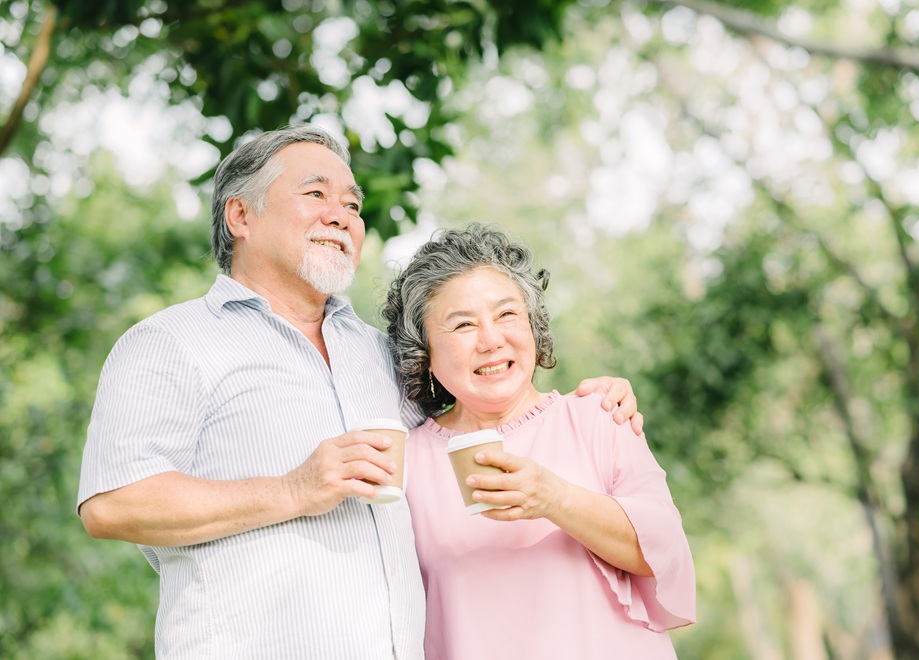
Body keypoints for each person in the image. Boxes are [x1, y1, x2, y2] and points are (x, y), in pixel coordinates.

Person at [76, 125, 643, 659]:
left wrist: (593, 400)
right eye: (315, 193)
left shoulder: (383, 355)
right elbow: (112, 504)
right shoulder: (169, 341)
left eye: (352, 204)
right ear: (240, 215)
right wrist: (295, 489)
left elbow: (481, 406)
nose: (341, 215)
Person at [382, 224, 696, 659]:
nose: (491, 340)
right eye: (463, 325)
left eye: (507, 315)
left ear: (532, 326)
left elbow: (663, 553)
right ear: (425, 352)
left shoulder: (600, 415)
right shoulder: (407, 463)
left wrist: (555, 498)